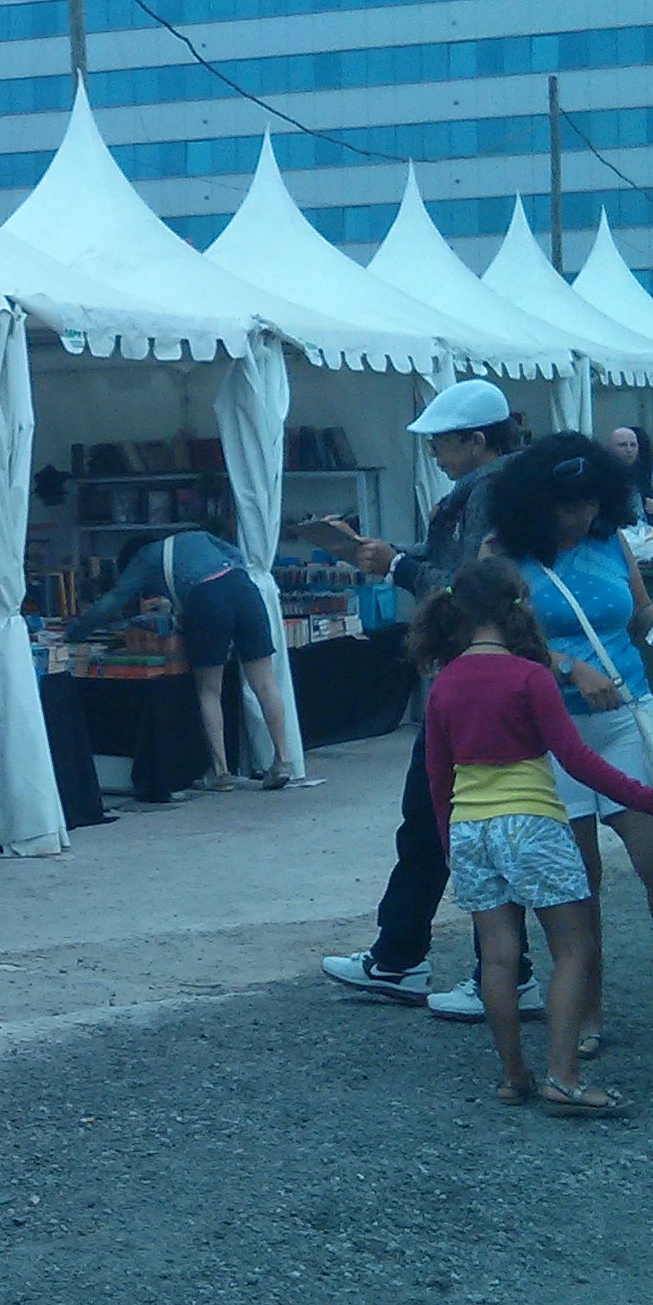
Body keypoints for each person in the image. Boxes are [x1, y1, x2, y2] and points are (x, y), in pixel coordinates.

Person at [482, 434, 653, 1063]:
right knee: (578, 881)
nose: (580, 517)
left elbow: (640, 613)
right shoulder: (501, 555)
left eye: (590, 504)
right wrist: (568, 666)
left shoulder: (610, 540)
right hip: (545, 733)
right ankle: (588, 1010)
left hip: (626, 718)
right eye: (567, 506)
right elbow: (496, 640)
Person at [412, 561, 653, 1115]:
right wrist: (650, 799)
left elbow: (439, 778)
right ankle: (564, 1076)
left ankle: (514, 1075)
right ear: (516, 609)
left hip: (470, 829)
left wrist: (449, 844)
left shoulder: (444, 684)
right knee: (573, 946)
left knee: (499, 959)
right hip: (532, 822)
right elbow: (577, 760)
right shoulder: (531, 675)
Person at [313, 378, 514, 1007]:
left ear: (476, 441)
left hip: (474, 674)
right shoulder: (483, 489)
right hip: (477, 675)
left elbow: (466, 584)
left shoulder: (489, 493)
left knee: (453, 819)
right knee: (442, 819)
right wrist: (390, 555)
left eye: (442, 443)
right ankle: (410, 956)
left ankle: (489, 971)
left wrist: (396, 566)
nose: (434, 454)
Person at [72, 524, 294, 791]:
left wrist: (75, 632)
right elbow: (237, 555)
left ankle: (221, 771)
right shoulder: (196, 536)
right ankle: (282, 760)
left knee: (209, 690)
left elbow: (112, 601)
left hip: (207, 600)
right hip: (245, 590)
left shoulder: (143, 558)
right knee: (265, 682)